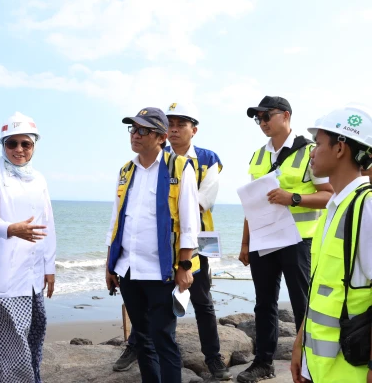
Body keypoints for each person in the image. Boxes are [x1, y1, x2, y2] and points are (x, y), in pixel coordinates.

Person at [114, 102, 231, 380]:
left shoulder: (205, 158)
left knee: (202, 298)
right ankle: (135, 347)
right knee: (149, 316)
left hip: (200, 237)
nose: (176, 128)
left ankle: (213, 357)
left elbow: (204, 202)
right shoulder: (148, 160)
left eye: (181, 123)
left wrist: (184, 260)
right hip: (163, 242)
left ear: (194, 129)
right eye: (172, 123)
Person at [237, 96, 333, 383]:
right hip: (263, 240)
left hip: (297, 241)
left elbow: (329, 195)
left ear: (286, 116)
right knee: (264, 303)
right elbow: (252, 204)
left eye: (267, 116)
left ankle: (309, 363)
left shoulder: (309, 152)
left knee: (302, 303)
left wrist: (293, 198)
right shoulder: (257, 156)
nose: (263, 122)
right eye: (259, 118)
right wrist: (245, 243)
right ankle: (263, 363)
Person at [105, 107, 201, 383]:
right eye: (132, 129)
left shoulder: (180, 168)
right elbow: (116, 220)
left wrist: (185, 266)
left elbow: (189, 222)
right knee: (143, 342)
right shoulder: (126, 170)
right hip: (130, 270)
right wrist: (110, 265)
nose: (135, 135)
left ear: (160, 137)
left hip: (163, 272)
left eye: (142, 130)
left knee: (163, 340)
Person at [290, 104, 372, 383]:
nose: (312, 152)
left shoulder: (366, 206)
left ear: (340, 149)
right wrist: (299, 341)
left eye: (318, 144)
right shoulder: (333, 208)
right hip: (320, 368)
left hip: (352, 371)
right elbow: (319, 287)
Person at [0, 112, 56, 383]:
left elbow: (48, 225)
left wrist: (50, 268)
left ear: (34, 146)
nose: (19, 150)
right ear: (3, 146)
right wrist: (12, 229)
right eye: (12, 144)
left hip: (33, 274)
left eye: (26, 144)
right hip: (2, 273)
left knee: (33, 331)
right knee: (8, 338)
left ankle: (32, 379)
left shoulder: (39, 179)